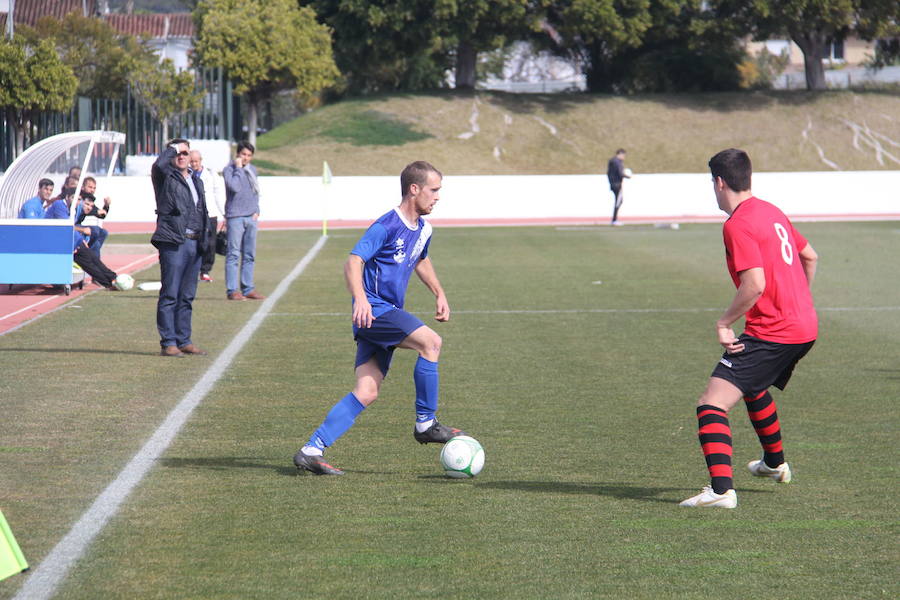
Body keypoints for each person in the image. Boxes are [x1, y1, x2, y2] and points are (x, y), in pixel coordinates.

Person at [293, 160, 467, 476]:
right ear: (414, 189)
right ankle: (426, 422)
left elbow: (420, 259)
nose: (438, 197)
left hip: (381, 314)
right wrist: (360, 299)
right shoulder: (386, 225)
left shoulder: (424, 229)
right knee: (431, 342)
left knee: (367, 391)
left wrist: (439, 293)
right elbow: (353, 261)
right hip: (375, 310)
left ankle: (311, 449)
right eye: (434, 190)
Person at [680, 148, 818, 509]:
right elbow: (810, 256)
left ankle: (721, 491)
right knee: (753, 385)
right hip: (804, 326)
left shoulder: (738, 223)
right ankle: (774, 464)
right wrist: (796, 300)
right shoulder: (772, 211)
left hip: (774, 331)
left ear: (719, 182)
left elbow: (754, 284)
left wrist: (724, 322)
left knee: (712, 403)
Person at [151, 138, 209, 358]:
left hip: (195, 242)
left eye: (186, 152)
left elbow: (202, 210)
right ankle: (169, 342)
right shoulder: (165, 177)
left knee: (187, 296)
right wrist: (172, 149)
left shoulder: (197, 180)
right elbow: (158, 165)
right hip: (175, 241)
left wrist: (207, 242)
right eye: (179, 153)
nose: (183, 156)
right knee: (170, 294)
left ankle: (184, 340)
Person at [42, 180, 120, 290]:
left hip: (72, 240)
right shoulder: (59, 205)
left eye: (79, 199)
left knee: (93, 257)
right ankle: (108, 284)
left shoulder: (74, 207)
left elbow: (99, 214)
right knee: (87, 262)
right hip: (58, 243)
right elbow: (66, 227)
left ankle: (113, 277)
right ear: (68, 197)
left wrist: (80, 241)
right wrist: (76, 242)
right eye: (75, 199)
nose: (77, 202)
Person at [222, 141, 265, 300]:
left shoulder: (253, 170)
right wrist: (239, 168)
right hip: (235, 217)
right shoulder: (229, 170)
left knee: (249, 255)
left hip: (251, 217)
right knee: (233, 254)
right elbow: (234, 187)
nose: (246, 158)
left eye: (249, 155)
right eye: (243, 154)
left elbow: (256, 192)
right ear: (237, 154)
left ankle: (248, 288)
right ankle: (232, 290)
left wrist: (257, 210)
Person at [189, 149, 226, 282]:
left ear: (201, 160)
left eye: (196, 161)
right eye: (191, 161)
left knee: (210, 243)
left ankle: (205, 270)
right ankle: (193, 269)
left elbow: (218, 194)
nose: (194, 164)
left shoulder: (211, 174)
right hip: (193, 215)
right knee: (194, 242)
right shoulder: (186, 174)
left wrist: (224, 213)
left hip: (210, 214)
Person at [75, 177, 112, 255]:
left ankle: (92, 255)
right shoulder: (79, 197)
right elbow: (91, 210)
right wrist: (95, 211)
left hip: (77, 225)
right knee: (95, 231)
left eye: (94, 188)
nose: (92, 190)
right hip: (73, 225)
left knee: (103, 232)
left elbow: (101, 215)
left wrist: (106, 205)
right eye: (90, 187)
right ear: (83, 187)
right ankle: (89, 255)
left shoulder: (89, 199)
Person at [606, 148, 630, 226]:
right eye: (623, 155)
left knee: (618, 201)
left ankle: (614, 220)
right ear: (620, 154)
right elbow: (620, 173)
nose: (624, 157)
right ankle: (614, 220)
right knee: (618, 201)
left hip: (613, 184)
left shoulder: (612, 161)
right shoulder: (617, 162)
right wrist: (628, 176)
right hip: (617, 184)